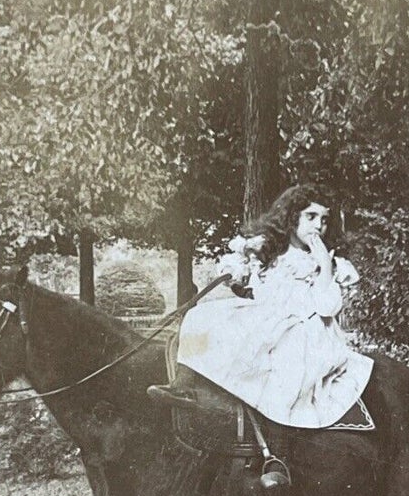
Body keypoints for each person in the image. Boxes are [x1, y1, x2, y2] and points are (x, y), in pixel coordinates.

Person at [151, 185, 374, 431]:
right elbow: (243, 282)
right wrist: (238, 269)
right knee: (199, 315)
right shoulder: (267, 252)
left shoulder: (327, 261)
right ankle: (183, 385)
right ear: (291, 218)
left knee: (285, 360)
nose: (318, 225)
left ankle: (275, 448)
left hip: (305, 332)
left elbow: (327, 307)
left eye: (323, 219)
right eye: (310, 217)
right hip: (267, 321)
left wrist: (324, 265)